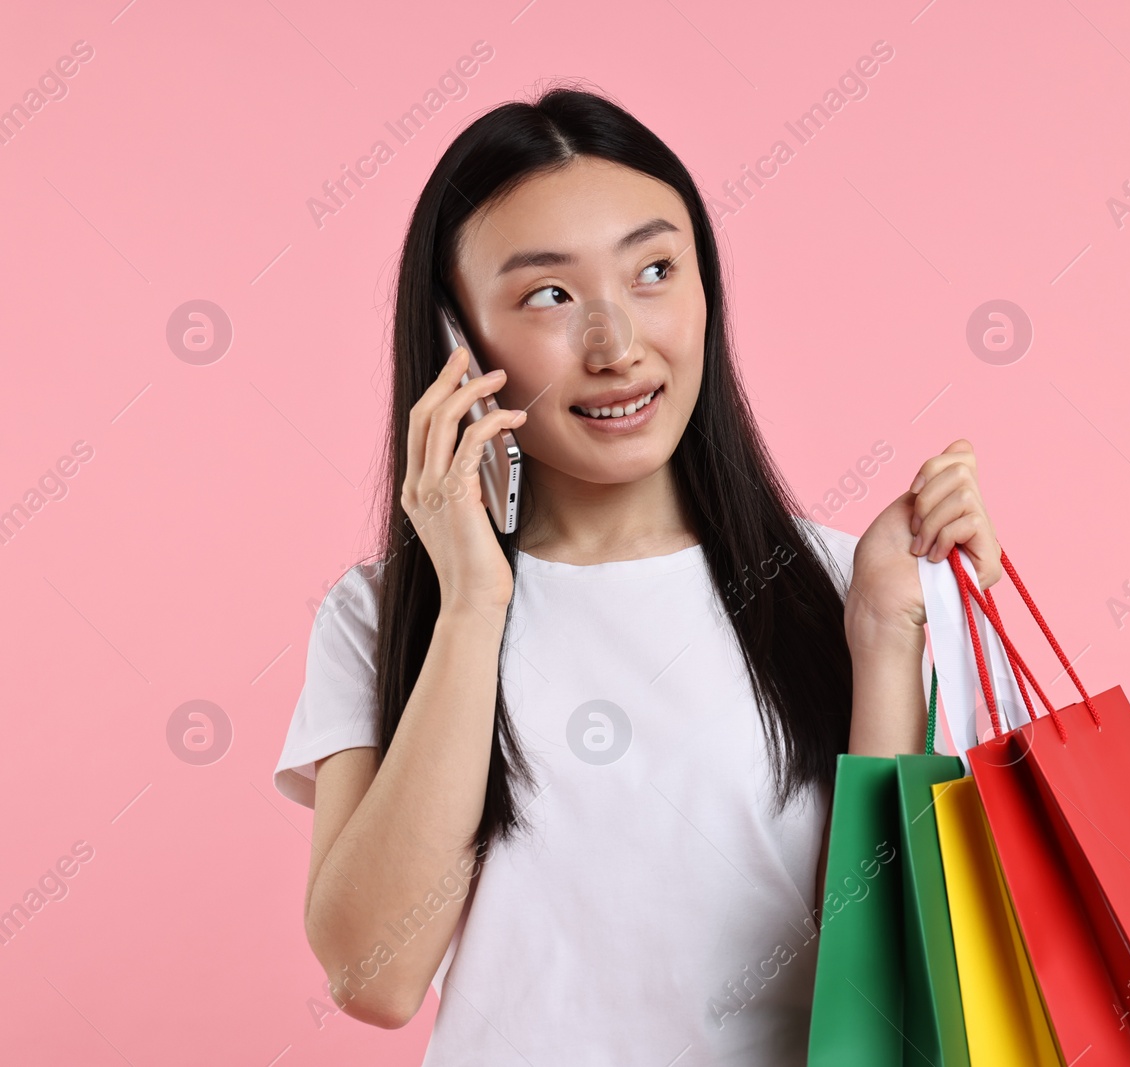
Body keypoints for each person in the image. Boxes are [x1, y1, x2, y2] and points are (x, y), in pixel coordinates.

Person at [272, 85, 1002, 1066]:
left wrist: (881, 638)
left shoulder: (856, 584)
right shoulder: (382, 614)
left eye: (655, 270)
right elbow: (373, 976)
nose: (617, 347)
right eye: (549, 295)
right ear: (456, 339)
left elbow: (890, 989)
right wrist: (475, 601)